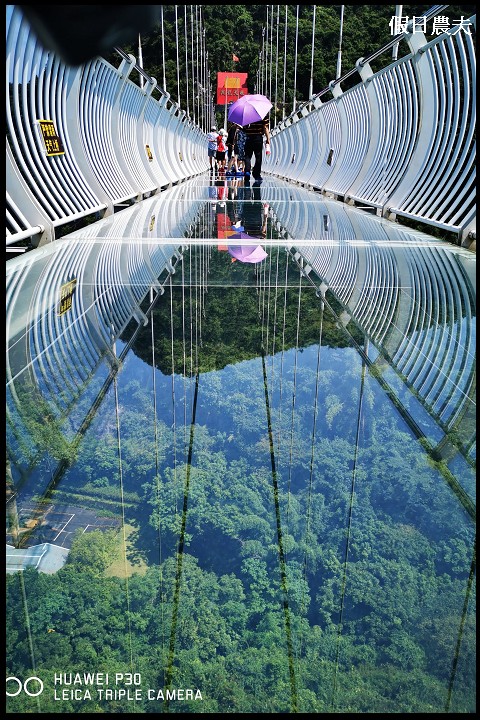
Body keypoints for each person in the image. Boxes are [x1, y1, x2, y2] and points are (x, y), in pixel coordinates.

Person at [243, 81, 271, 186]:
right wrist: (268, 138)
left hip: (249, 137)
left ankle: (247, 171)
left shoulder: (247, 113)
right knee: (258, 156)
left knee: (248, 156)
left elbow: (244, 127)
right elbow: (265, 127)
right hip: (258, 137)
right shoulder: (263, 113)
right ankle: (256, 174)